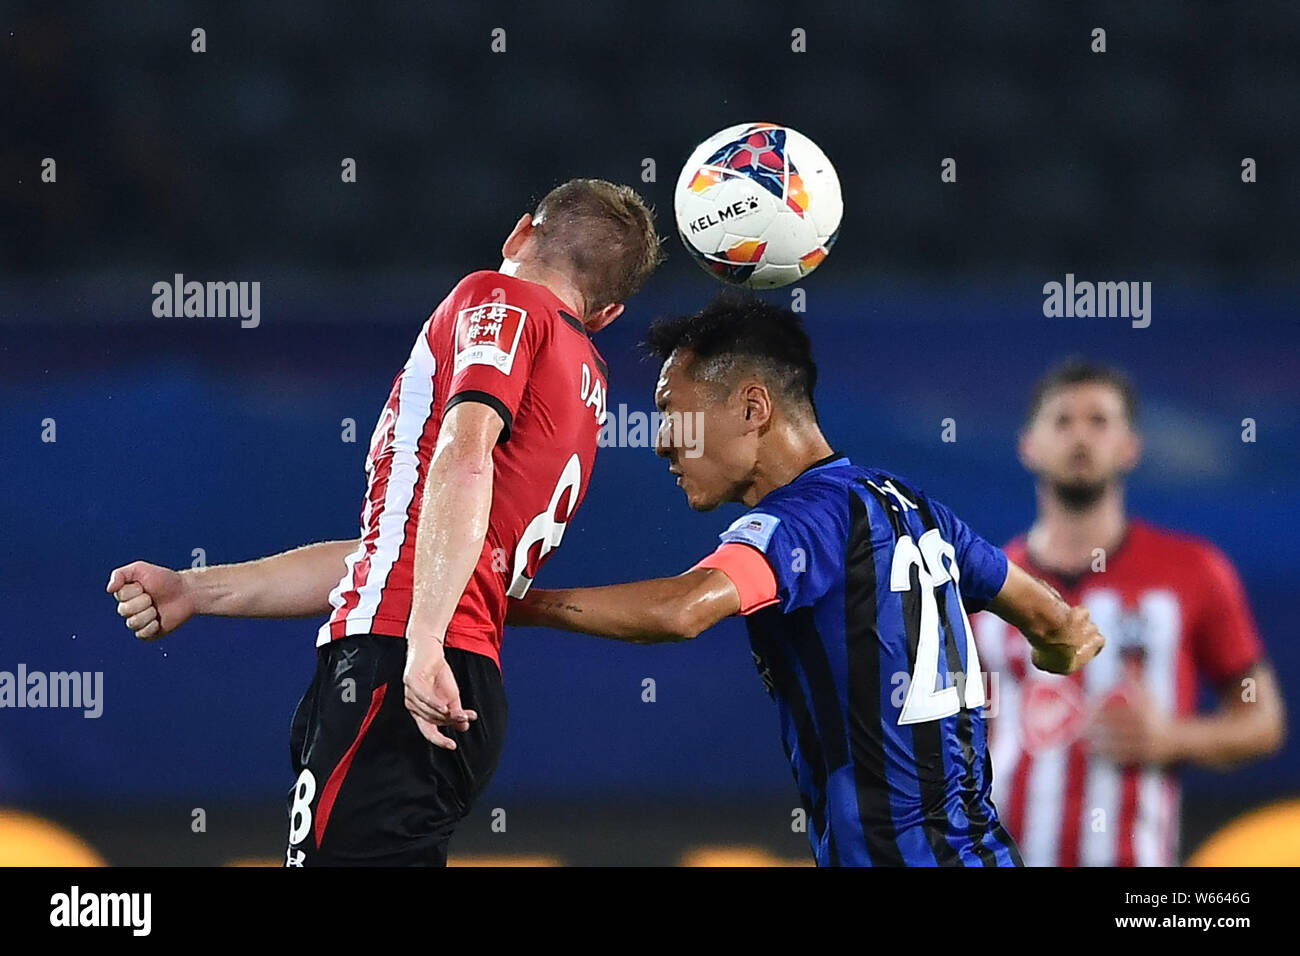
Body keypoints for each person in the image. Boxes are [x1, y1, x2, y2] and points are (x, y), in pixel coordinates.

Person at [106, 179, 662, 865]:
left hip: (403, 665)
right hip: (452, 667)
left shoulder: (502, 297)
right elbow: (396, 547)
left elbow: (465, 453)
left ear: (520, 233)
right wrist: (197, 590)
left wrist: (422, 639)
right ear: (608, 312)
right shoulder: (584, 378)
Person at [507, 295, 1105, 866]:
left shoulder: (804, 521)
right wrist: (1059, 647)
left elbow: (683, 609)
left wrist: (512, 604)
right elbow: (1056, 623)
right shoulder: (915, 508)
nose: (662, 441)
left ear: (752, 409)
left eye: (672, 414)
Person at [974, 359, 1285, 867]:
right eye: (1062, 421)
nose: (1080, 437)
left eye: (1099, 421)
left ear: (1130, 446)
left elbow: (1264, 722)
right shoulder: (985, 586)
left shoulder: (1194, 571)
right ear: (1027, 444)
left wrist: (1173, 737)